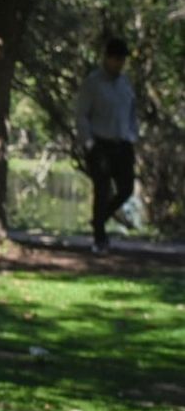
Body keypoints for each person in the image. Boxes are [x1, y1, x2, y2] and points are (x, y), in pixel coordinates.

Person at [75, 37, 141, 254]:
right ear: (107, 58)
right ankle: (99, 239)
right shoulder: (93, 83)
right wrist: (89, 143)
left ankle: (98, 219)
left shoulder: (125, 83)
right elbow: (82, 115)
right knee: (102, 190)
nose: (119, 64)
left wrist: (132, 135)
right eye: (116, 59)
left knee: (126, 189)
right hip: (100, 144)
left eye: (122, 60)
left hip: (122, 144)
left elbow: (132, 112)